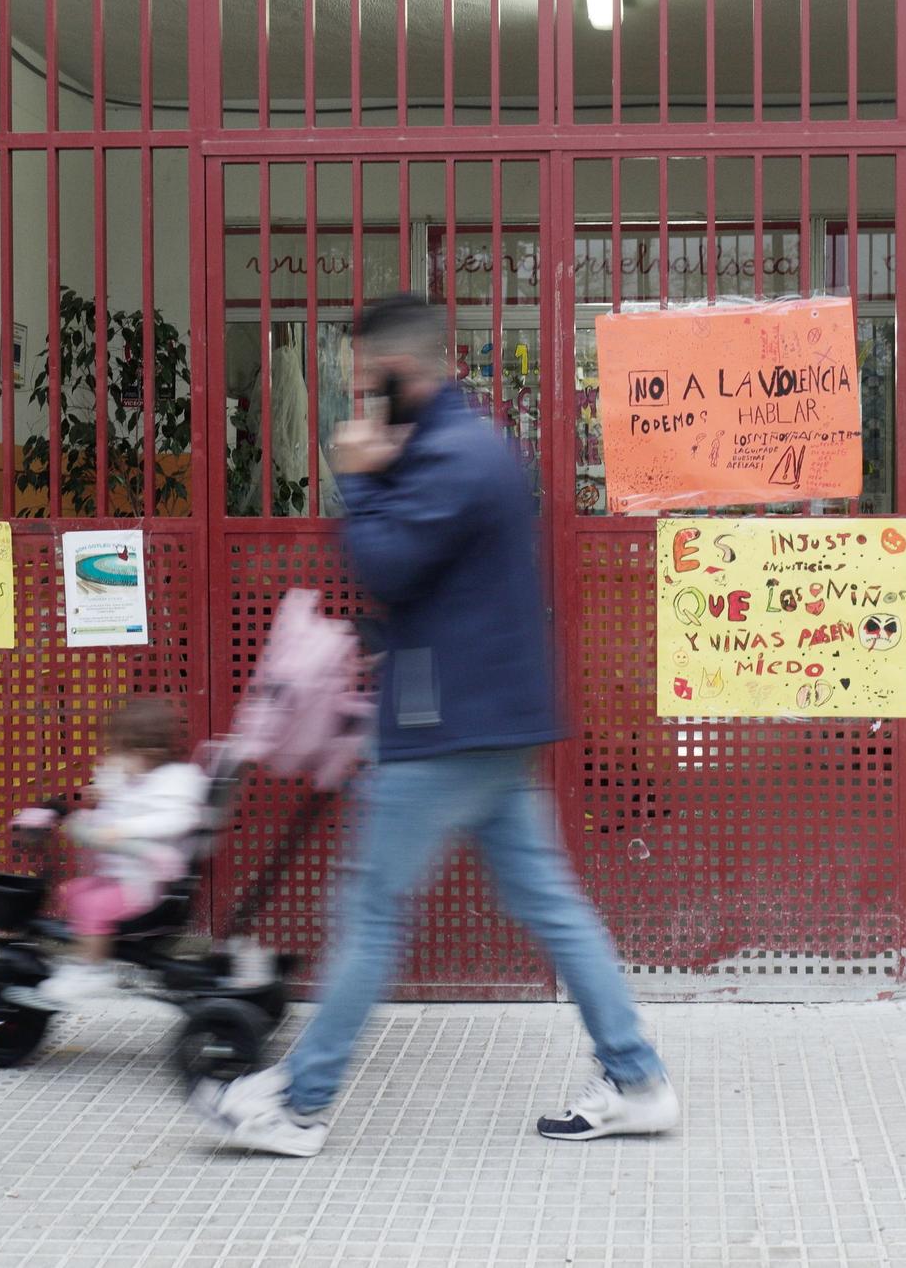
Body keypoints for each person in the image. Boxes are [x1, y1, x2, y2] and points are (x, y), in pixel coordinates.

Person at [195, 294, 679, 1157]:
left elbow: (384, 566)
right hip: (487, 720)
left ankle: (299, 1105)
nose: (353, 400)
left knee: (374, 910)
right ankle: (636, 1077)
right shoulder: (465, 442)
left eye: (356, 380)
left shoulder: (450, 456)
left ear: (396, 372)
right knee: (550, 903)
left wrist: (355, 475)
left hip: (445, 724)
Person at [5, 699, 207, 1011]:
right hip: (120, 878)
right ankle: (88, 953)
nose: (110, 758)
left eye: (118, 751)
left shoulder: (177, 781)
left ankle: (91, 970)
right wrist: (103, 796)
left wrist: (124, 828)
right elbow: (117, 809)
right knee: (71, 894)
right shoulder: (137, 779)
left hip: (147, 887)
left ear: (146, 751)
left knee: (91, 905)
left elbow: (179, 818)